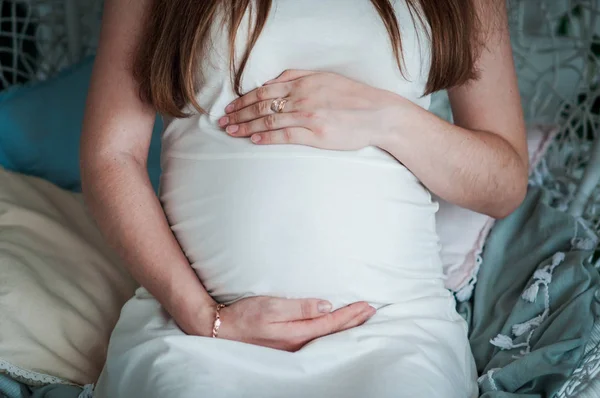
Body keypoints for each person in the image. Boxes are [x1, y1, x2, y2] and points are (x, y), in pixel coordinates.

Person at [81, 0, 528, 397]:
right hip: (200, 332)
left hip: (390, 330)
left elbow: (504, 184)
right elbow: (111, 156)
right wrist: (206, 319)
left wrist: (388, 118)